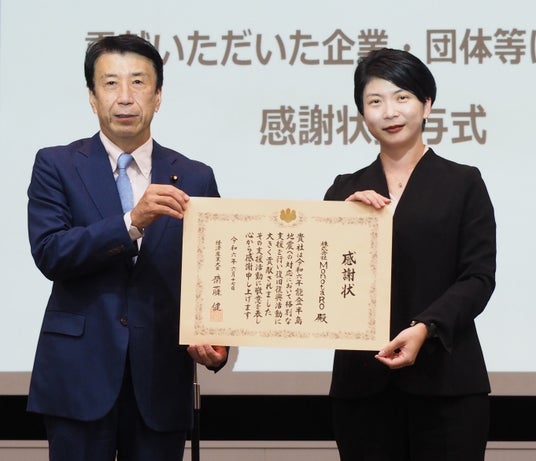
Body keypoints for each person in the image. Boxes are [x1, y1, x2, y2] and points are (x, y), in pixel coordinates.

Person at [26, 34, 228, 461]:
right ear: (92, 96)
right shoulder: (56, 164)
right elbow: (50, 252)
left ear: (158, 96)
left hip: (161, 377)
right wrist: (131, 223)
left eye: (138, 82)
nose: (125, 97)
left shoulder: (195, 176)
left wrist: (217, 339)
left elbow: (215, 273)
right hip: (78, 376)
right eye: (110, 83)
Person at [325, 48, 496, 461]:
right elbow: (321, 283)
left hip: (447, 384)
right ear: (362, 114)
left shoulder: (463, 183)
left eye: (402, 97)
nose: (389, 112)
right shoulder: (344, 190)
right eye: (375, 101)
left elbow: (478, 277)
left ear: (427, 104)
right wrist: (343, 222)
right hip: (363, 388)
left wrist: (426, 327)